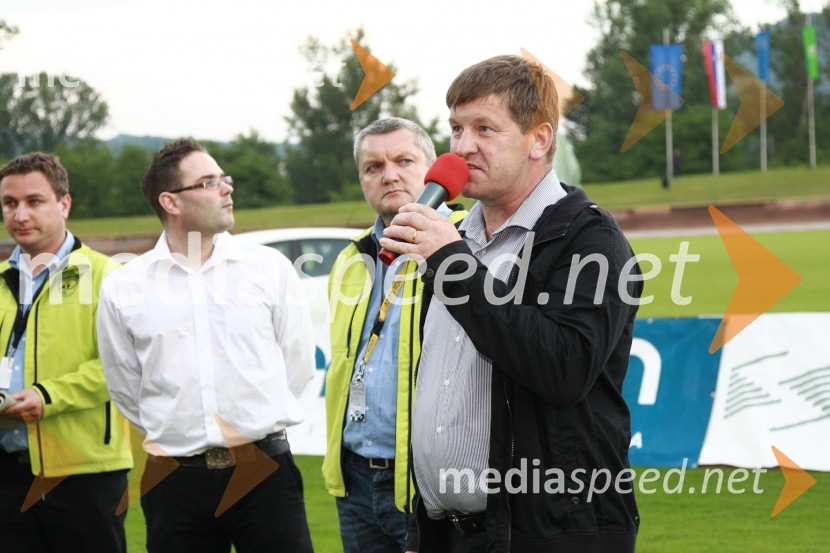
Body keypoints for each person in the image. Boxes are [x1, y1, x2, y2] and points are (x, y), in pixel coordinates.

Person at [379, 55, 642, 552]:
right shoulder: (454, 238)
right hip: (447, 532)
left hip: (549, 531)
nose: (462, 147)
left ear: (538, 140)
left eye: (485, 128)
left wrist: (454, 265)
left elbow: (563, 368)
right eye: (456, 128)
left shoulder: (589, 239)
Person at [97, 138, 315, 553]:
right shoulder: (124, 287)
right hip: (174, 481)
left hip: (265, 472)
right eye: (209, 181)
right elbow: (126, 387)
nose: (226, 188)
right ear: (171, 202)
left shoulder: (269, 269)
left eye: (224, 178)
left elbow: (297, 364)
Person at [323, 117, 466, 553]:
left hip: (431, 482)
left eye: (404, 160)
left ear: (430, 166)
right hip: (356, 478)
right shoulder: (351, 257)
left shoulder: (469, 240)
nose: (389, 174)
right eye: (373, 167)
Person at [0, 152, 133, 552]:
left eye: (34, 201)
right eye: (9, 203)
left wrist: (47, 397)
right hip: (7, 474)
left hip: (85, 472)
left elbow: (123, 365)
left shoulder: (110, 276)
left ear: (64, 204)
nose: (20, 214)